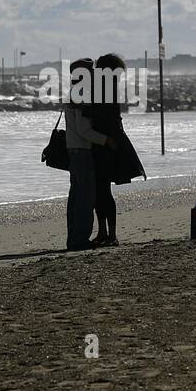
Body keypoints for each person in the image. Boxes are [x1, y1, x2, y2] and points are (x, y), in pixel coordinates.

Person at [86, 53, 145, 246]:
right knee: (101, 190)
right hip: (106, 141)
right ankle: (105, 232)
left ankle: (109, 234)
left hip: (106, 143)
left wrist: (80, 107)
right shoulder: (108, 85)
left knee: (102, 190)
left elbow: (102, 114)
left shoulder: (105, 86)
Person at [64, 58, 115, 251]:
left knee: (76, 198)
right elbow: (84, 130)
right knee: (85, 199)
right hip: (82, 151)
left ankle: (73, 238)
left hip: (73, 151)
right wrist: (106, 140)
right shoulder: (82, 95)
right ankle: (79, 240)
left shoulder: (73, 93)